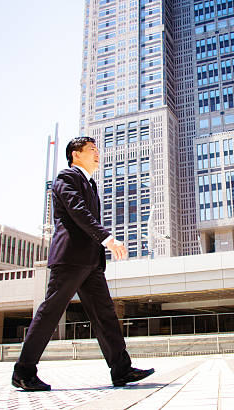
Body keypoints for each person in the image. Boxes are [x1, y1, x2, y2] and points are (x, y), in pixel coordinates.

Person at [11, 137, 154, 391]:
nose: (98, 154)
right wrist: (108, 239)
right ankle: (23, 371)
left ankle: (121, 370)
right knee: (50, 313)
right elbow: (78, 211)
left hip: (91, 262)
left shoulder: (90, 184)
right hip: (70, 258)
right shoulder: (66, 178)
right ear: (76, 155)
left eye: (98, 150)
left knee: (105, 315)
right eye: (92, 150)